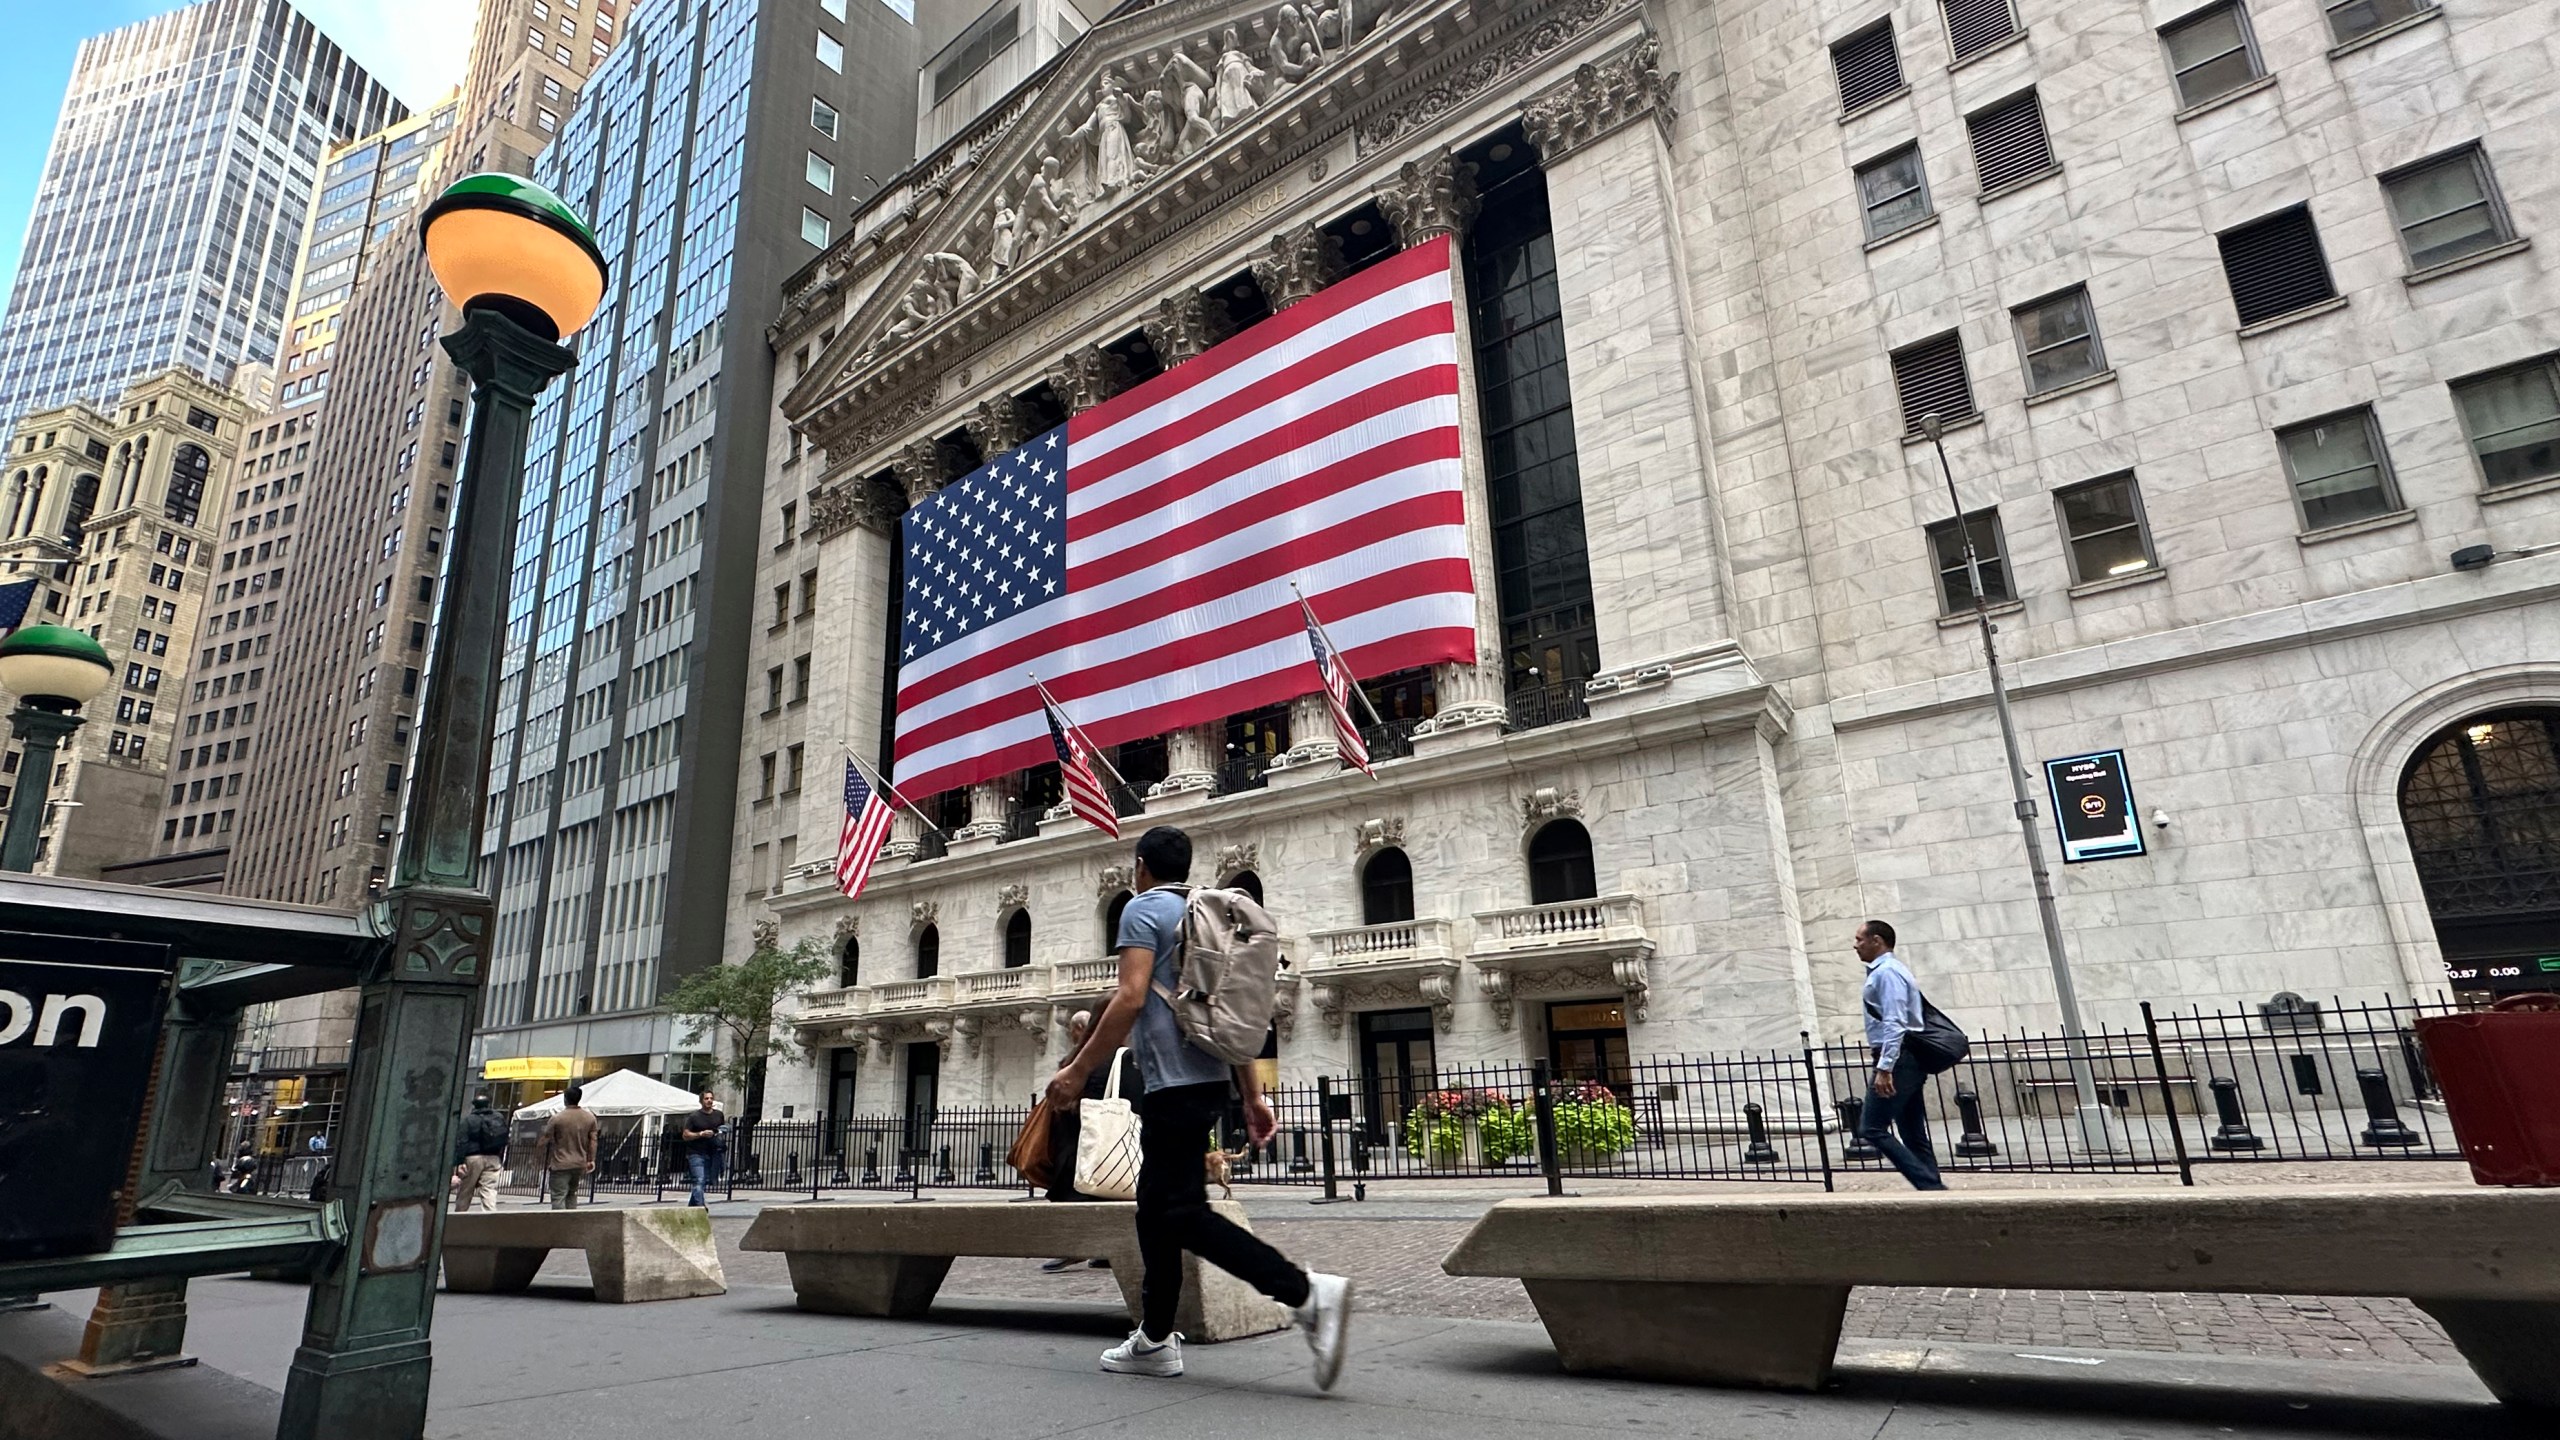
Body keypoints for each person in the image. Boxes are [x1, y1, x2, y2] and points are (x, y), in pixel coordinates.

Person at [1047, 825, 1352, 1388]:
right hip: (1209, 1080)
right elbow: (1236, 1012)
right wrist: (1252, 1095)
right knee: (1154, 1210)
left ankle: (1307, 1293)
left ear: (1140, 866)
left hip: (1172, 1085)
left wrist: (1078, 1069)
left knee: (1181, 1210)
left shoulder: (1143, 911)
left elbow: (1130, 997)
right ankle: (1156, 1338)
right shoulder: (1206, 914)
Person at [1040, 1010, 1138, 1273]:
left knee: (1077, 1191)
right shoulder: (1125, 1055)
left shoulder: (1093, 1058)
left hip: (1085, 1138)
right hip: (1107, 1139)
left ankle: (1074, 1248)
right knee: (1108, 1191)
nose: (1071, 1035)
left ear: (1083, 1028)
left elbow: (1077, 1097)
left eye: (1073, 1030)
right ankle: (1106, 1250)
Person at [1856, 919, 1947, 1192]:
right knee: (1912, 1132)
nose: (1855, 944)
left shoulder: (1887, 973)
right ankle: (1934, 1193)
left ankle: (1929, 1184)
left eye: (1860, 939)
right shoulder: (1888, 971)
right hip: (1904, 1057)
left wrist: (1885, 1068)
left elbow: (1895, 1022)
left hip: (1898, 1058)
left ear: (1877, 941)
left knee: (1871, 1128)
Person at [533, 1084, 598, 1210]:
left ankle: (560, 1225)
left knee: (558, 1196)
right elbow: (593, 1141)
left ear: (565, 1099)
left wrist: (538, 1158)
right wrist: (591, 1159)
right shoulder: (590, 1118)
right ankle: (571, 1223)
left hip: (561, 1163)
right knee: (572, 1194)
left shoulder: (557, 1118)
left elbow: (544, 1139)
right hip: (579, 1163)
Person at [450, 1091, 509, 1212]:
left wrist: (459, 1161)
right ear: (488, 1104)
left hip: (473, 1158)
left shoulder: (468, 1120)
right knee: (489, 1189)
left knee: (466, 1189)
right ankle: (490, 1215)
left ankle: (460, 1215)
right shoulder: (498, 1117)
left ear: (474, 1105)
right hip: (493, 1157)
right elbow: (504, 1136)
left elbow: (462, 1141)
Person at [680, 1090, 725, 1207]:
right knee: (699, 1180)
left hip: (712, 1152)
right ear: (701, 1101)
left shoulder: (718, 1115)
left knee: (703, 1181)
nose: (709, 1100)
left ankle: (691, 1209)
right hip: (696, 1153)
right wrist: (700, 1134)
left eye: (711, 1098)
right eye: (706, 1098)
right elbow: (685, 1135)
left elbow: (721, 1129)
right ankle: (701, 1207)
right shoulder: (694, 1117)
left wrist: (719, 1133)